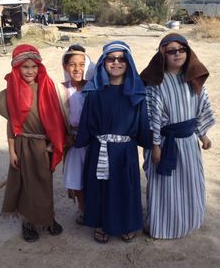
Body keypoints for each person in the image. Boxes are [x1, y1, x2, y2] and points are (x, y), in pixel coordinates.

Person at [75, 40, 152, 243]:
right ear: (103, 62)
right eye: (111, 58)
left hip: (125, 151)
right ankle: (102, 223)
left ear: (128, 62)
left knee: (124, 187)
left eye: (121, 59)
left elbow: (143, 121)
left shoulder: (136, 93)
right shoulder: (95, 91)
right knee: (101, 187)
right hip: (99, 148)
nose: (116, 62)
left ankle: (127, 223)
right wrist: (79, 141)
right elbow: (87, 120)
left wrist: (149, 143)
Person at [140, 33, 215, 239]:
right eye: (171, 51)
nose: (177, 54)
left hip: (189, 143)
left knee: (190, 183)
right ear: (162, 54)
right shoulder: (156, 83)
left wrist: (203, 135)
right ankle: (162, 226)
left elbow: (201, 109)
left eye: (182, 49)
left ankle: (187, 222)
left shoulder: (193, 78)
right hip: (165, 143)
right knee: (165, 187)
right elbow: (152, 115)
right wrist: (155, 145)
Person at [0, 44, 66, 242]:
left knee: (44, 182)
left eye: (34, 66)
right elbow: (11, 125)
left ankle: (48, 219)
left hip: (44, 145)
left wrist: (54, 142)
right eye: (25, 67)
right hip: (23, 145)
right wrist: (11, 151)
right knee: (26, 185)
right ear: (17, 68)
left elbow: (55, 118)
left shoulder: (46, 87)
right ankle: (28, 223)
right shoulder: (12, 91)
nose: (30, 71)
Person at [55, 44, 95, 225]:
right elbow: (55, 117)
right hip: (73, 140)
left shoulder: (93, 89)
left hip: (92, 140)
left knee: (93, 175)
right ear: (65, 67)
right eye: (72, 64)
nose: (77, 69)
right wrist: (65, 137)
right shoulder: (61, 90)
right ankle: (83, 208)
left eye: (81, 64)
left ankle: (96, 208)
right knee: (76, 176)